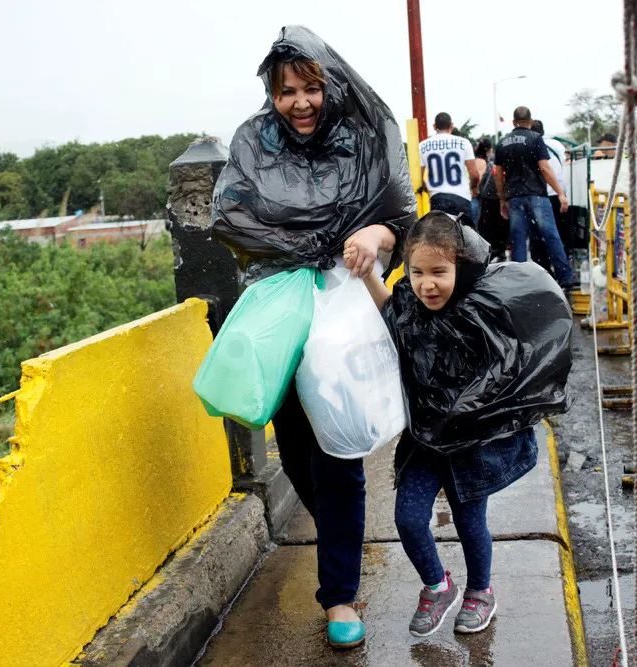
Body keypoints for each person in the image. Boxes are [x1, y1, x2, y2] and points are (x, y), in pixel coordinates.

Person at [211, 26, 417, 649]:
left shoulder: (366, 137)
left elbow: (404, 222)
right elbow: (230, 215)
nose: (299, 102)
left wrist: (376, 236)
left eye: (310, 88)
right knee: (297, 445)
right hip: (280, 306)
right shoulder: (252, 141)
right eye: (286, 91)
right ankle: (339, 545)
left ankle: (340, 595)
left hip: (343, 306)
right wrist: (298, 246)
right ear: (271, 95)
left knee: (339, 451)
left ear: (332, 84)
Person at [353, 212, 568, 638]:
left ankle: (480, 591)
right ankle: (438, 586)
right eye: (417, 272)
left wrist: (470, 410)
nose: (427, 284)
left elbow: (510, 362)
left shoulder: (481, 309)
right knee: (409, 520)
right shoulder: (411, 305)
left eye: (439, 272)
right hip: (425, 441)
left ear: (461, 267)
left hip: (472, 444)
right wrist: (366, 276)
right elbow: (390, 313)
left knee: (471, 522)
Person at [494, 106, 575, 287]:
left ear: (514, 122)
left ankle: (521, 281)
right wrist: (560, 193)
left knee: (519, 240)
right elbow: (545, 168)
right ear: (530, 122)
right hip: (537, 195)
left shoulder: (503, 143)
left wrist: (502, 200)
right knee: (550, 235)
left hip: (515, 197)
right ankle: (565, 277)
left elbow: (498, 176)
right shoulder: (535, 139)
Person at [419, 112, 478, 220]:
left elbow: (419, 177)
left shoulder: (422, 146)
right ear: (451, 126)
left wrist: (427, 189)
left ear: (434, 126)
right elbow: (474, 175)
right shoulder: (464, 143)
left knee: (441, 235)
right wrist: (474, 189)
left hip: (437, 198)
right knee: (465, 235)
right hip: (461, 197)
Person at [531, 120, 572, 269]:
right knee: (557, 235)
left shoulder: (531, 144)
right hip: (559, 194)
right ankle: (563, 269)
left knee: (538, 238)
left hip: (541, 195)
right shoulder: (557, 145)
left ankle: (544, 270)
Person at [470, 137, 492, 227]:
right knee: (477, 221)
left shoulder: (475, 159)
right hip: (478, 195)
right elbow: (479, 177)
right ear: (489, 149)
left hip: (474, 195)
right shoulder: (482, 161)